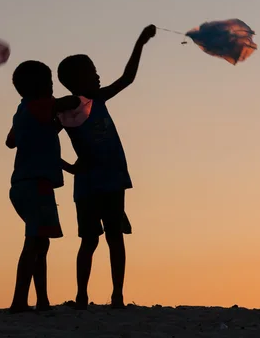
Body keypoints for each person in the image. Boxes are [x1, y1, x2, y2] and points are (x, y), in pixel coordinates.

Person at [57, 25, 156, 309]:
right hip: (90, 183)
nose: (98, 75)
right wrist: (69, 167)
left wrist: (140, 42)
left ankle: (117, 296)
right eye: (92, 72)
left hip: (111, 180)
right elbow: (43, 141)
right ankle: (81, 296)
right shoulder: (66, 110)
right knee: (90, 241)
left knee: (113, 237)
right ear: (76, 80)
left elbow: (127, 78)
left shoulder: (96, 99)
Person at [5, 60, 80, 313]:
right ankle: (19, 301)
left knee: (41, 242)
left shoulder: (23, 110)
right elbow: (69, 103)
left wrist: (51, 127)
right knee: (34, 242)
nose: (52, 88)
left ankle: (42, 300)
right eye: (49, 83)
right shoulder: (40, 105)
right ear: (40, 87)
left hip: (23, 185)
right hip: (36, 185)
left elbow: (11, 141)